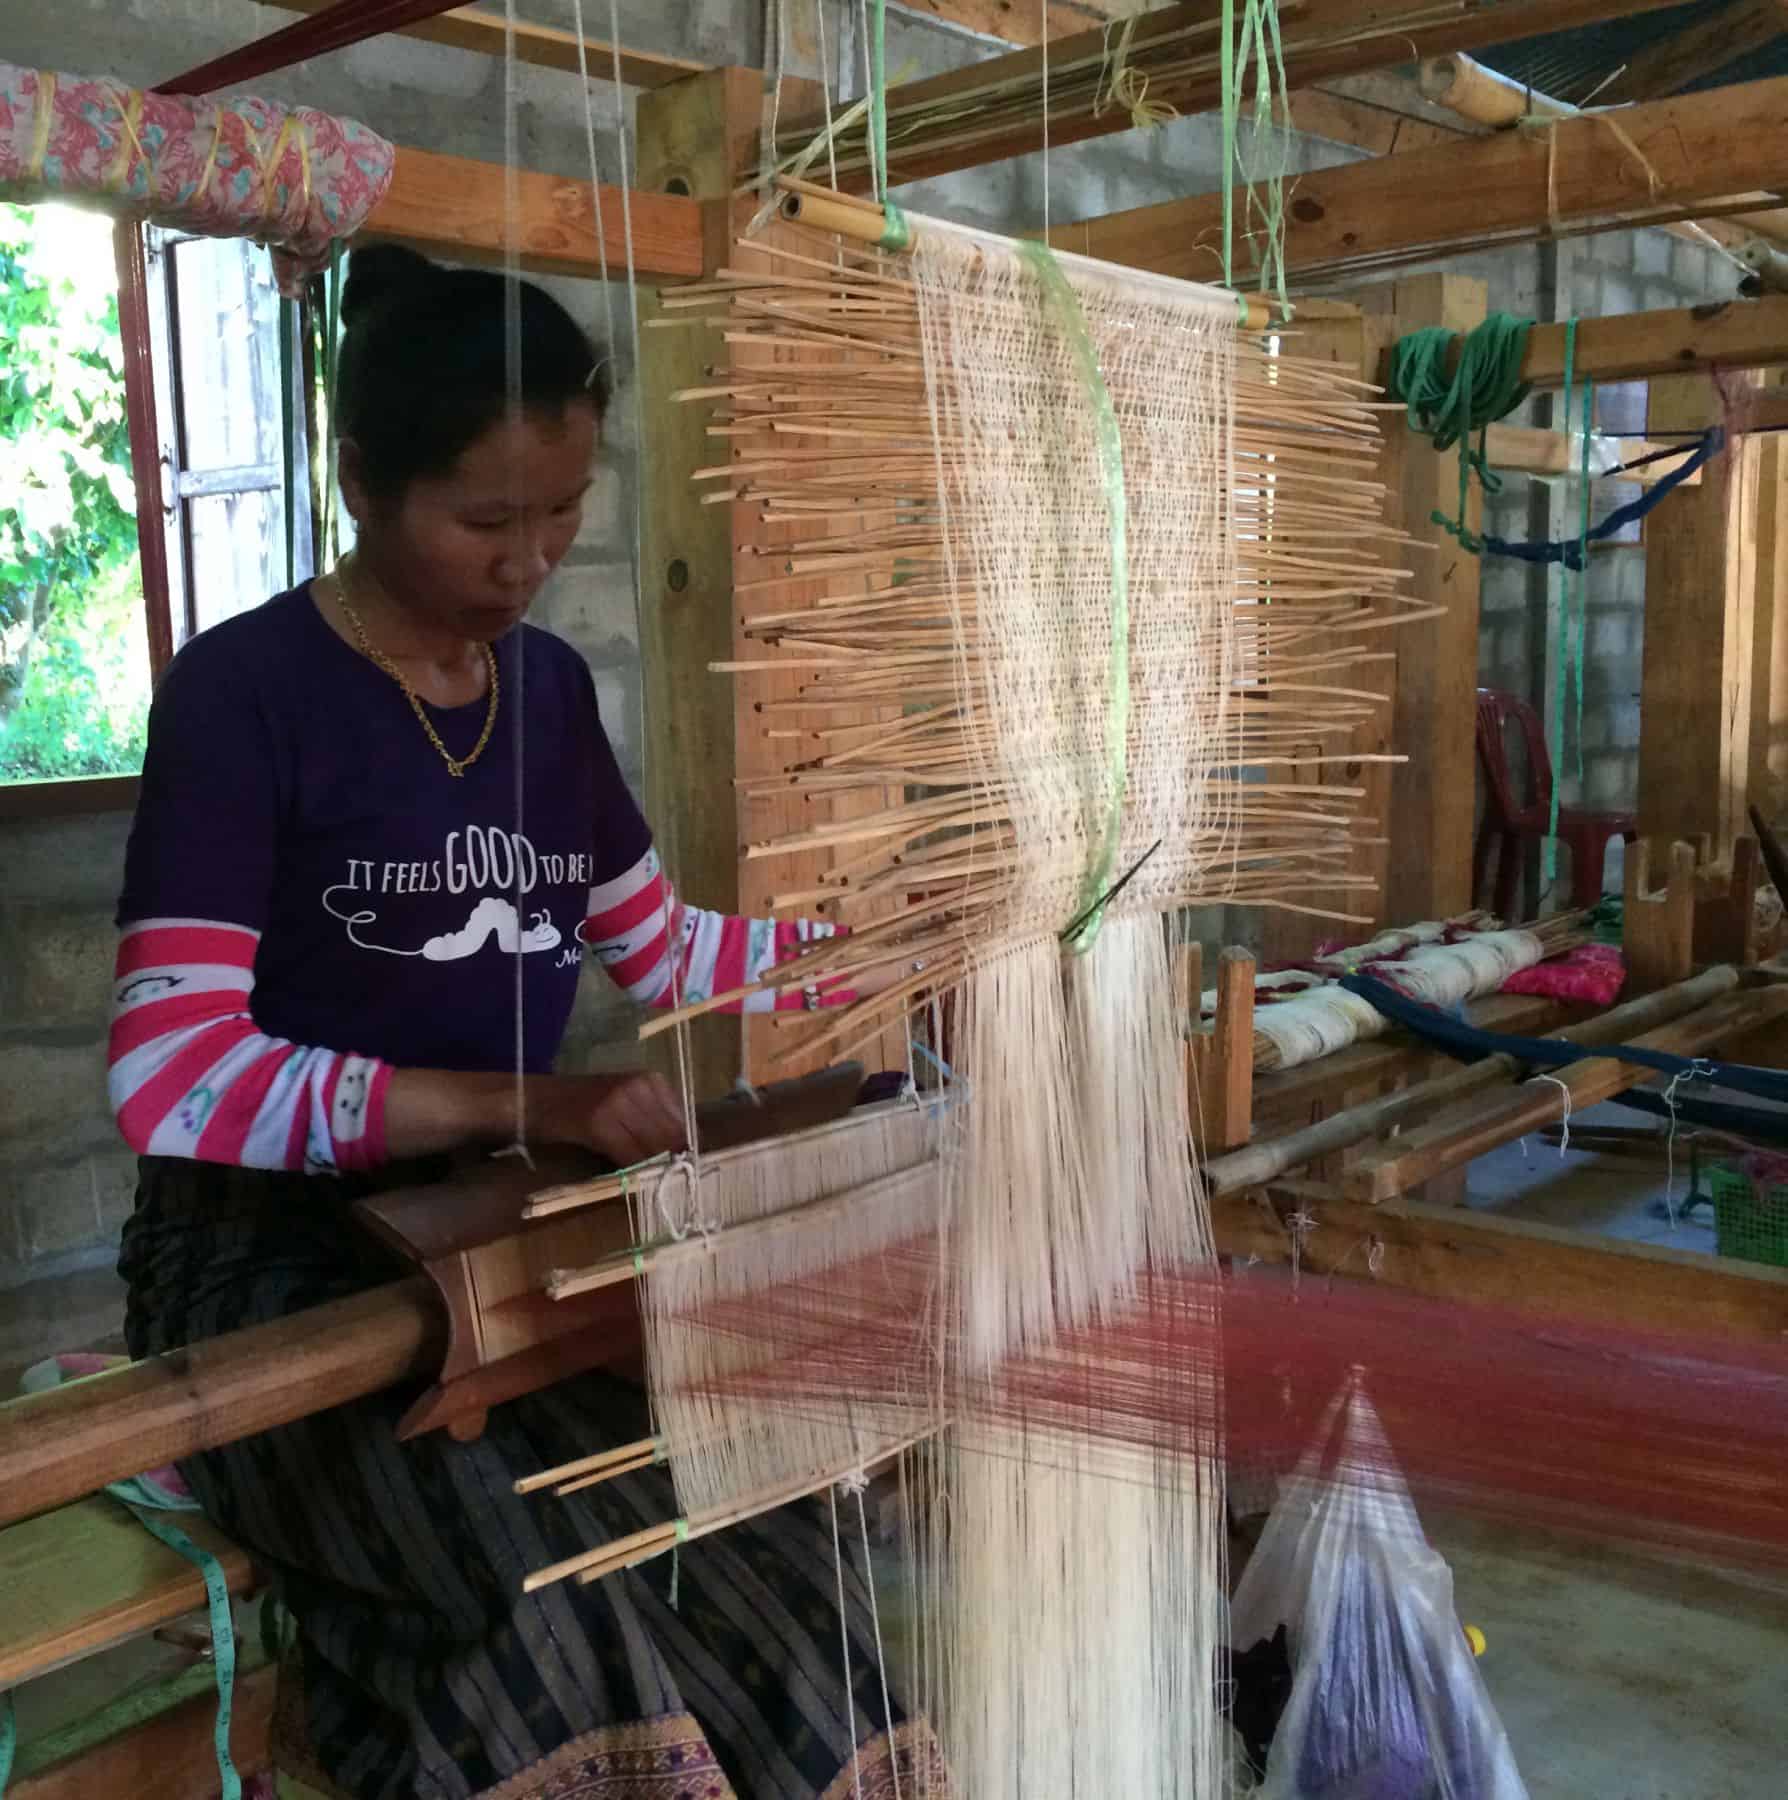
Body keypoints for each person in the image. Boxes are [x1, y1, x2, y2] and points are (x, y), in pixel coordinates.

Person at [111, 246, 929, 1800]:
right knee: (538, 1589)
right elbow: (174, 1078)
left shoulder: (546, 696)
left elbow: (667, 950)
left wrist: (881, 953)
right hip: (271, 1265)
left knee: (750, 1532)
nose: (531, 558)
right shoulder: (244, 695)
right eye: (488, 517)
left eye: (563, 513)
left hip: (510, 1235)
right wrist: (532, 1102)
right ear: (359, 478)